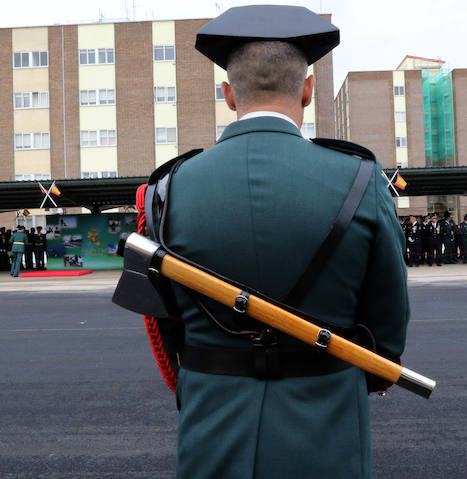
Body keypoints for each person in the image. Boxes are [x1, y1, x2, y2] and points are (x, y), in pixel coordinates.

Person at [161, 6, 410, 477]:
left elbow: (167, 320)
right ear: (309, 90)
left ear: (228, 95)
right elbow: (387, 321)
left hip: (212, 418)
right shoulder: (359, 178)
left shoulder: (172, 186)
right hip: (327, 420)